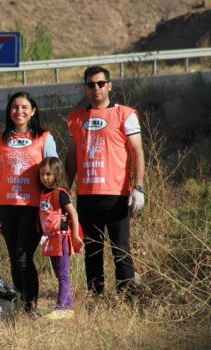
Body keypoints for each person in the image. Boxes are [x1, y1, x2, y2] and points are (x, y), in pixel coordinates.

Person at [66, 66, 145, 298]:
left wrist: (138, 187)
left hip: (116, 195)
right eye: (91, 84)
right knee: (92, 251)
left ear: (109, 85)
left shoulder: (125, 114)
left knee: (121, 250)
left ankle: (127, 298)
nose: (96, 88)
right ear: (85, 88)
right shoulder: (76, 118)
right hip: (86, 195)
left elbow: (137, 152)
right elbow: (72, 157)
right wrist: (63, 190)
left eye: (101, 83)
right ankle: (96, 298)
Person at [0, 91, 58, 315]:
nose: (18, 111)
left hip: (34, 207)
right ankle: (20, 304)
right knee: (13, 257)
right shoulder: (0, 140)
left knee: (23, 256)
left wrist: (56, 208)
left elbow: (54, 175)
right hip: (7, 207)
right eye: (14, 107)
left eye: (24, 107)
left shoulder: (44, 138)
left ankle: (31, 306)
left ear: (33, 111)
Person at [38, 157, 84, 320]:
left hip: (62, 238)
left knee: (63, 273)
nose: (45, 177)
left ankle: (60, 308)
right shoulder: (43, 193)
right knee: (58, 273)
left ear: (57, 174)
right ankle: (68, 307)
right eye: (42, 174)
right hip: (50, 239)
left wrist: (76, 235)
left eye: (49, 174)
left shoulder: (61, 193)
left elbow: (73, 213)